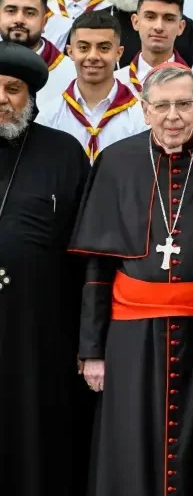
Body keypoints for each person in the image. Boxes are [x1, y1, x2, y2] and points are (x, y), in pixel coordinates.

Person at [72, 63, 193, 496]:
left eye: (183, 104)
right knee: (132, 440)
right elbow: (98, 267)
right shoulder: (116, 161)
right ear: (144, 110)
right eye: (161, 106)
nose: (172, 116)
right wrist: (92, 350)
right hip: (134, 336)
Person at [0, 42, 92, 496]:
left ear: (31, 99)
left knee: (37, 435)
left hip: (41, 331)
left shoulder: (64, 153)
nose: (1, 99)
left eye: (13, 89)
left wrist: (87, 338)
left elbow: (86, 252)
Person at [38, 12, 147, 160]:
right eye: (84, 48)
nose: (93, 56)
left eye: (104, 48)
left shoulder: (141, 118)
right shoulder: (48, 117)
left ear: (118, 53)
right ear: (70, 52)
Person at [0, 0, 77, 105]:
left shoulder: (73, 74)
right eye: (11, 11)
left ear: (44, 22)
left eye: (30, 13)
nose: (19, 19)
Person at [114, 0, 191, 93]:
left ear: (180, 27)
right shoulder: (114, 84)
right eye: (150, 17)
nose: (158, 27)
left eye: (169, 19)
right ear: (135, 22)